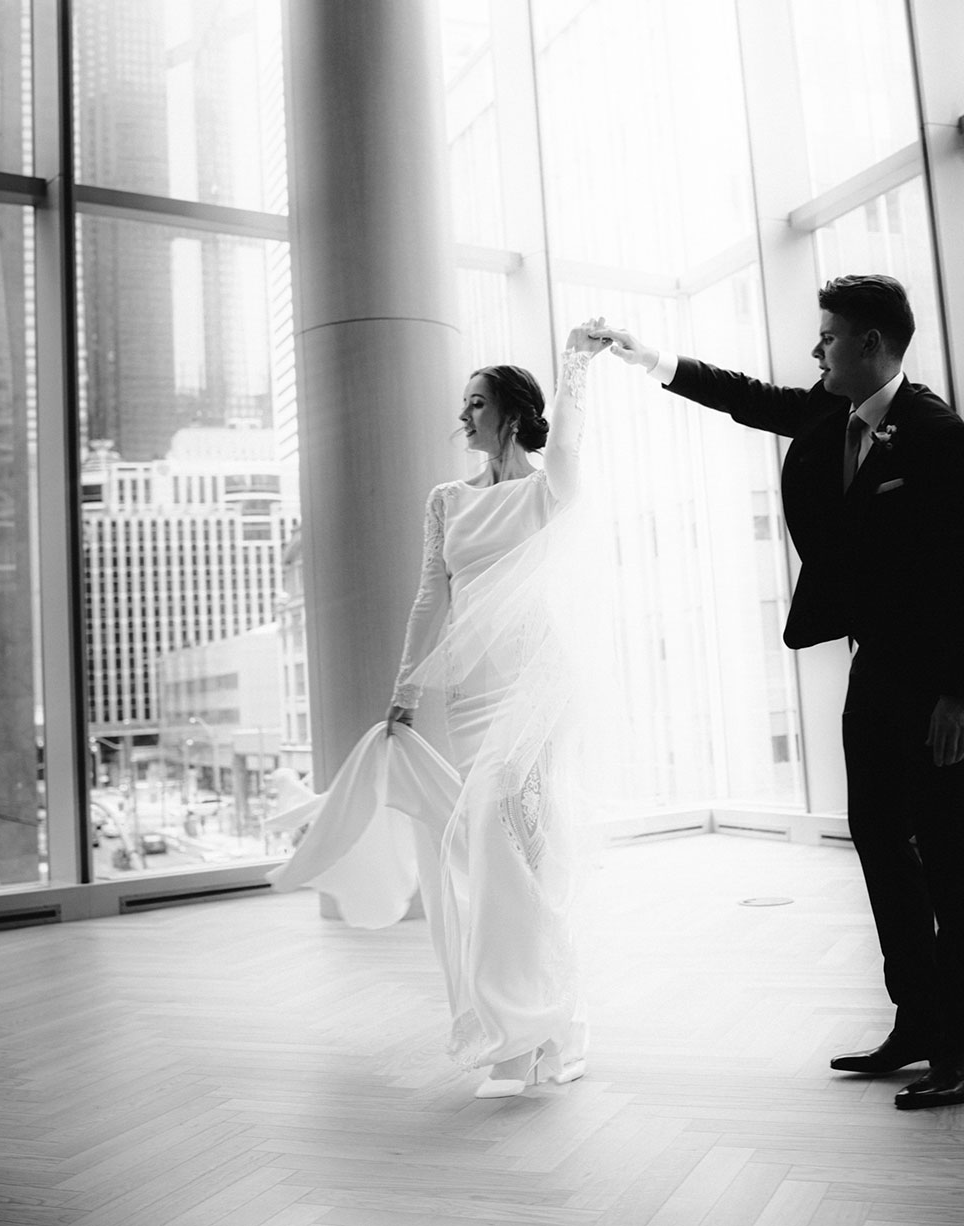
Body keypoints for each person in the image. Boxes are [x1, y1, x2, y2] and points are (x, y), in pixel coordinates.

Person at [595, 274, 964, 1110]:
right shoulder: (832, 414)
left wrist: (958, 693)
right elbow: (746, 396)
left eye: (828, 335)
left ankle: (960, 1044)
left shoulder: (940, 435)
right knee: (876, 838)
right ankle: (916, 1019)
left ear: (871, 343)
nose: (816, 349)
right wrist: (650, 358)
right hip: (876, 668)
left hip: (939, 683)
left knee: (947, 858)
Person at [270, 320, 614, 1098]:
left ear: (514, 415)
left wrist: (575, 363)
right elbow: (431, 599)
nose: (463, 416)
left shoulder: (546, 489)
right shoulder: (445, 501)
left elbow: (567, 447)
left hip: (536, 685)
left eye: (477, 403)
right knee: (504, 859)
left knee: (503, 840)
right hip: (470, 694)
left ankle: (524, 1036)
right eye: (463, 403)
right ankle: (546, 1024)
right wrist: (402, 691)